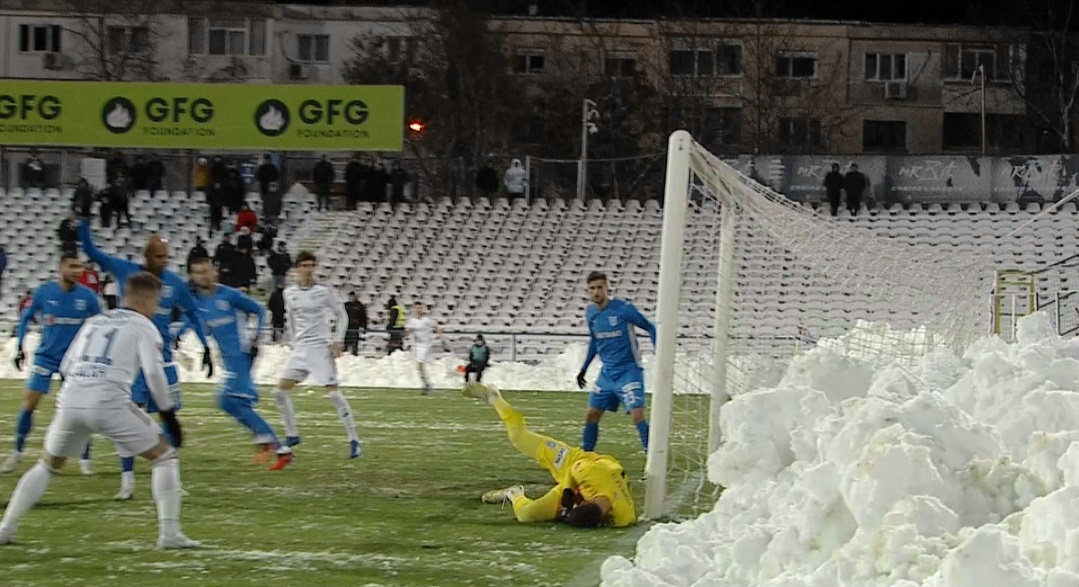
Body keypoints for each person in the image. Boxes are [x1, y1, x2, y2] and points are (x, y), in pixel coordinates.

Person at [0, 272, 200, 549]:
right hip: (108, 401)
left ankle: (5, 528)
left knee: (47, 465)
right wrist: (168, 415)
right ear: (148, 298)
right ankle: (170, 534)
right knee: (165, 456)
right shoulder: (144, 326)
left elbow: (66, 365)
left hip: (71, 398)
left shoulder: (95, 321)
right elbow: (154, 374)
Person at [79, 220, 213, 500]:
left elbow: (194, 313)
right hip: (133, 363)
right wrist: (83, 220)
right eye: (159, 257)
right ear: (147, 256)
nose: (164, 262)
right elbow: (91, 250)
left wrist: (206, 348)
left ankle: (171, 478)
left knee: (169, 418)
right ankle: (127, 481)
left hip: (163, 362)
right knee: (129, 417)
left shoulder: (175, 283)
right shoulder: (126, 272)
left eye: (166, 257)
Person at [462, 382, 635, 528]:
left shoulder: (622, 517)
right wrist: (567, 495)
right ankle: (494, 397)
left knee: (527, 514)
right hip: (573, 461)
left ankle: (513, 493)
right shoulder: (590, 473)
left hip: (589, 487)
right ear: (584, 502)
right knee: (519, 437)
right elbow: (574, 472)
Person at [187, 258, 293, 470]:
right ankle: (267, 443)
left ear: (214, 272)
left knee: (226, 399)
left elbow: (260, 311)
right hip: (227, 358)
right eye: (198, 272)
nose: (203, 276)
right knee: (231, 403)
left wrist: (256, 338)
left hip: (242, 354)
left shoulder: (229, 295)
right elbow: (194, 323)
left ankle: (281, 449)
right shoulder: (198, 302)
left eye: (206, 271)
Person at [3, 254, 101, 476]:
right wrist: (20, 346)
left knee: (80, 410)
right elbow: (26, 317)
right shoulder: (44, 292)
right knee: (29, 404)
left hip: (74, 360)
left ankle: (85, 459)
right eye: (72, 266)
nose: (77, 271)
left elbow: (100, 324)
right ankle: (17, 453)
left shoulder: (88, 296)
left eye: (80, 267)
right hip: (46, 357)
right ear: (61, 267)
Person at [272, 251, 361, 458]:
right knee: (279, 392)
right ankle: (292, 434)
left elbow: (341, 315)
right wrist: (293, 341)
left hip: (320, 348)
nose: (309, 269)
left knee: (334, 393)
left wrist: (338, 340)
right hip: (301, 349)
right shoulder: (290, 293)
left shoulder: (324, 291)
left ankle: (354, 439)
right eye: (304, 265)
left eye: (312, 265)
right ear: (297, 269)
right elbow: (291, 317)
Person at [577, 271, 655, 454]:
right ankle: (586, 456)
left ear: (607, 287)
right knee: (592, 415)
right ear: (588, 291)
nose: (596, 292)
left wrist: (659, 352)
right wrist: (583, 369)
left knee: (637, 415)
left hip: (629, 371)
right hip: (607, 374)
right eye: (592, 288)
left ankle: (653, 461)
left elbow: (650, 327)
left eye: (599, 287)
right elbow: (595, 342)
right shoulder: (591, 313)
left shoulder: (623, 309)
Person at [405, 302, 444, 395]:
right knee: (419, 367)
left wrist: (440, 335)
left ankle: (426, 384)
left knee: (420, 364)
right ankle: (426, 383)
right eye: (416, 308)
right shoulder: (412, 321)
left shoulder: (427, 320)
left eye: (420, 308)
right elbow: (409, 330)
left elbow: (438, 326)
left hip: (425, 344)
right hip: (416, 345)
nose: (418, 310)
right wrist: (407, 335)